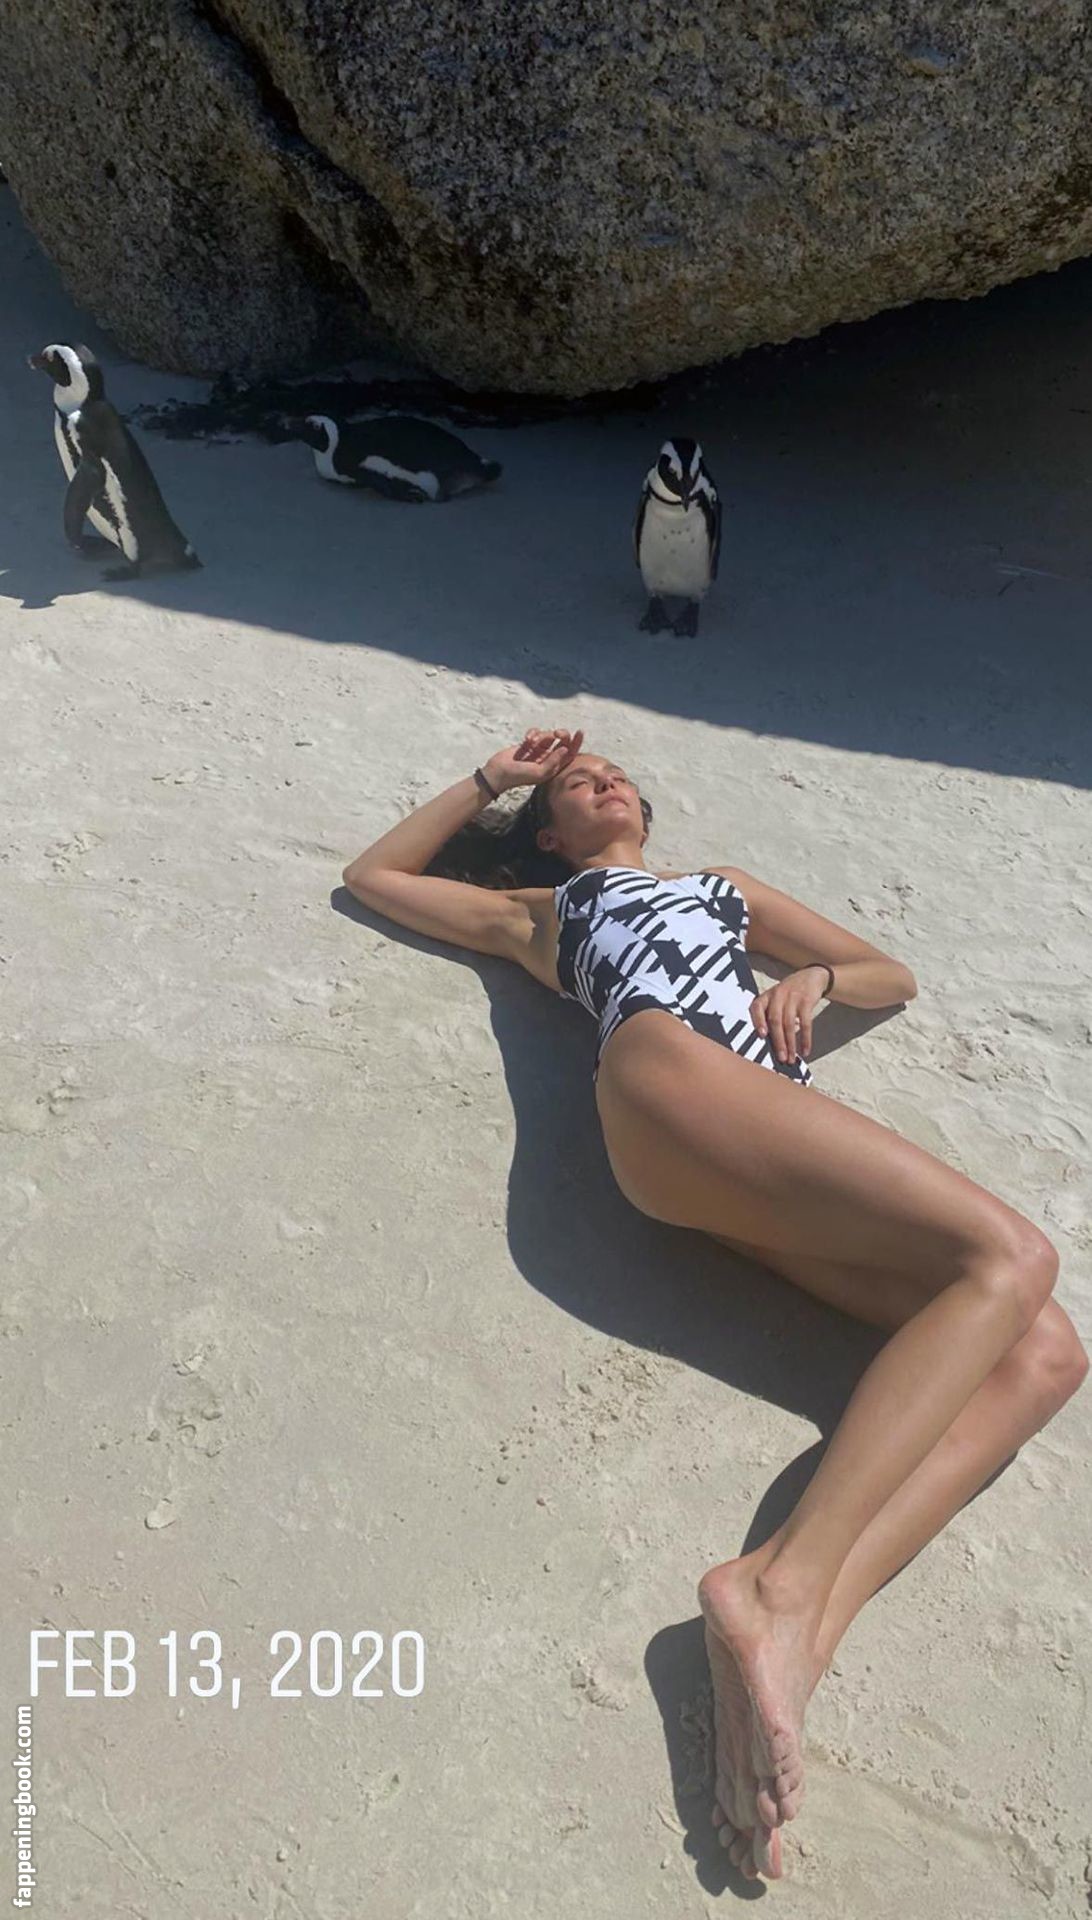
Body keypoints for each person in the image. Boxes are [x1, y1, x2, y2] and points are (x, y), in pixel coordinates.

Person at [341, 725, 1087, 1881]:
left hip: (756, 1159)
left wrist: (815, 978)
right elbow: (373, 878)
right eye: (576, 784)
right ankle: (776, 1585)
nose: (604, 778)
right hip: (669, 1080)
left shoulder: (719, 889)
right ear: (549, 836)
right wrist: (495, 779)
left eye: (615, 775)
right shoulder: (542, 911)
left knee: (1044, 1354)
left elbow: (888, 976)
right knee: (1013, 1257)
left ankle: (795, 1649)